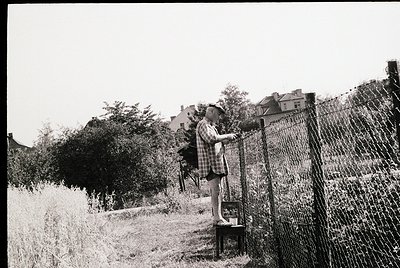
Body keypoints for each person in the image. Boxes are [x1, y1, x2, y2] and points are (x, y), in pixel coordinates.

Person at [196, 103, 238, 226]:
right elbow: (210, 139)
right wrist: (227, 135)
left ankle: (218, 218)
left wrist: (225, 140)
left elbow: (215, 140)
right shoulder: (203, 124)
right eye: (218, 115)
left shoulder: (211, 126)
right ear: (212, 112)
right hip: (210, 164)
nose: (218, 118)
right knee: (216, 190)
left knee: (218, 190)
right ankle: (217, 219)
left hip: (214, 164)